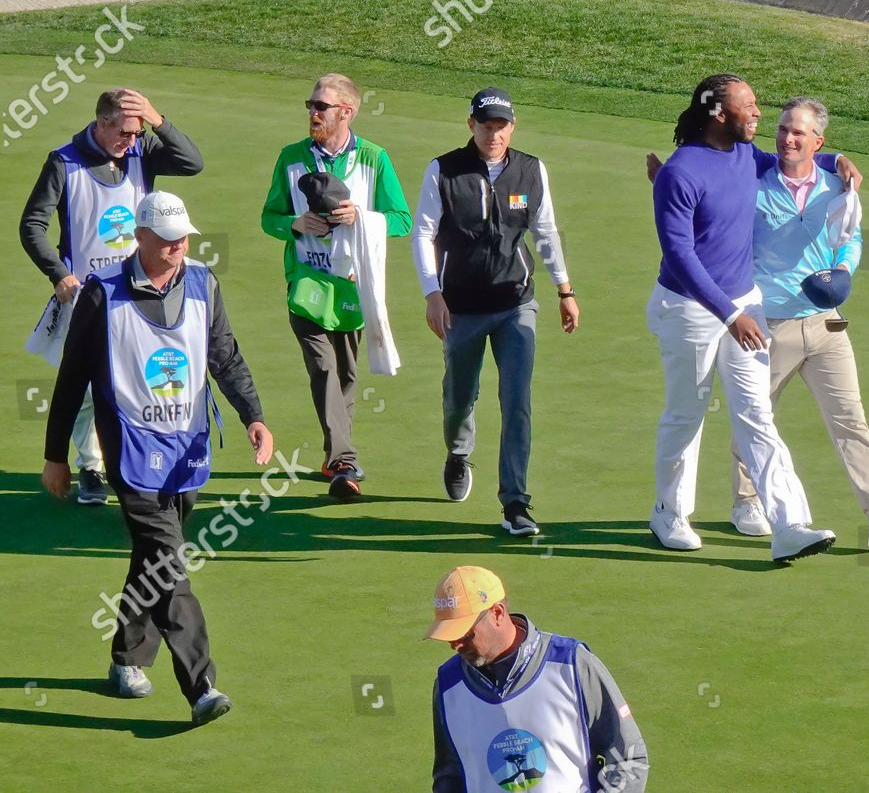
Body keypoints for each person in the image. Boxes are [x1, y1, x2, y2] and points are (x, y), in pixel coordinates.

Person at [40, 191, 273, 725]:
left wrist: (252, 416)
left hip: (186, 447)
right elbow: (72, 375)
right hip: (130, 449)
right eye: (167, 240)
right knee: (171, 562)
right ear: (139, 238)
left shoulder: (203, 283)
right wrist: (57, 456)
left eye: (183, 238)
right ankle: (201, 686)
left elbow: (224, 355)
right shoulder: (101, 295)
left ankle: (127, 657)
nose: (177, 248)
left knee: (153, 557)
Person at [647, 73, 858, 565]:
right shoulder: (681, 173)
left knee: (756, 414)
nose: (759, 114)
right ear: (720, 113)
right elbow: (679, 255)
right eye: (750, 105)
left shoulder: (745, 155)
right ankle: (668, 511)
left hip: (745, 303)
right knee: (687, 413)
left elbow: (789, 162)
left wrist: (834, 160)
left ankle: (789, 524)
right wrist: (729, 313)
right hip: (689, 309)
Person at [727, 97, 869, 549]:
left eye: (799, 132)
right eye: (783, 129)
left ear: (817, 141)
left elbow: (851, 238)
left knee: (849, 419)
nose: (787, 137)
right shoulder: (754, 184)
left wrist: (843, 271)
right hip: (768, 322)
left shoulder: (836, 188)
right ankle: (748, 500)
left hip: (826, 326)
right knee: (756, 417)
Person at [20, 88, 205, 506]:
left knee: (142, 378)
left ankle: (141, 460)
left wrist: (158, 119)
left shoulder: (142, 149)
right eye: (124, 132)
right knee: (85, 382)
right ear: (101, 123)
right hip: (87, 295)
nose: (132, 141)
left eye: (138, 132)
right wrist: (59, 275)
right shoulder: (63, 161)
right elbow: (32, 225)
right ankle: (90, 465)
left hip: (141, 289)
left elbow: (193, 163)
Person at [412, 88, 577, 535]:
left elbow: (545, 232)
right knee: (459, 398)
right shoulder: (444, 170)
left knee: (516, 401)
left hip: (515, 303)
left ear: (512, 126)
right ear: (471, 125)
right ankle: (459, 453)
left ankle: (516, 503)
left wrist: (565, 288)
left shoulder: (530, 170)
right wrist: (432, 292)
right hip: (461, 307)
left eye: (501, 126)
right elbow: (422, 233)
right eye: (486, 125)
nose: (494, 133)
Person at [261, 73, 410, 501]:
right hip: (306, 285)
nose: (312, 112)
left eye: (321, 106)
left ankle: (332, 455)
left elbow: (401, 219)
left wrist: (360, 216)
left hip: (353, 289)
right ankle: (345, 461)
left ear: (347, 111)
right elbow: (268, 216)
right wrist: (293, 223)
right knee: (324, 369)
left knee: (345, 376)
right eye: (309, 104)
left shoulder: (375, 158)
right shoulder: (290, 157)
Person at [426, 565, 648, 792]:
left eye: (464, 633)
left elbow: (629, 756)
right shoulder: (448, 685)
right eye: (449, 636)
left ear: (497, 614)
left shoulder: (572, 665)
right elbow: (449, 777)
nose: (455, 645)